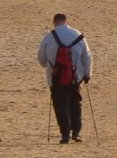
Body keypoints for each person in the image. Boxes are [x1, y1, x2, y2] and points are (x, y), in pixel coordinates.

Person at [37, 13, 92, 144]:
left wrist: (49, 66)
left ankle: (65, 135)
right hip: (75, 77)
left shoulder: (49, 37)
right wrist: (87, 74)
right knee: (76, 103)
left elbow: (41, 59)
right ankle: (76, 132)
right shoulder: (77, 35)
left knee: (60, 105)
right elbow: (87, 57)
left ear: (54, 23)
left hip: (56, 78)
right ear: (67, 22)